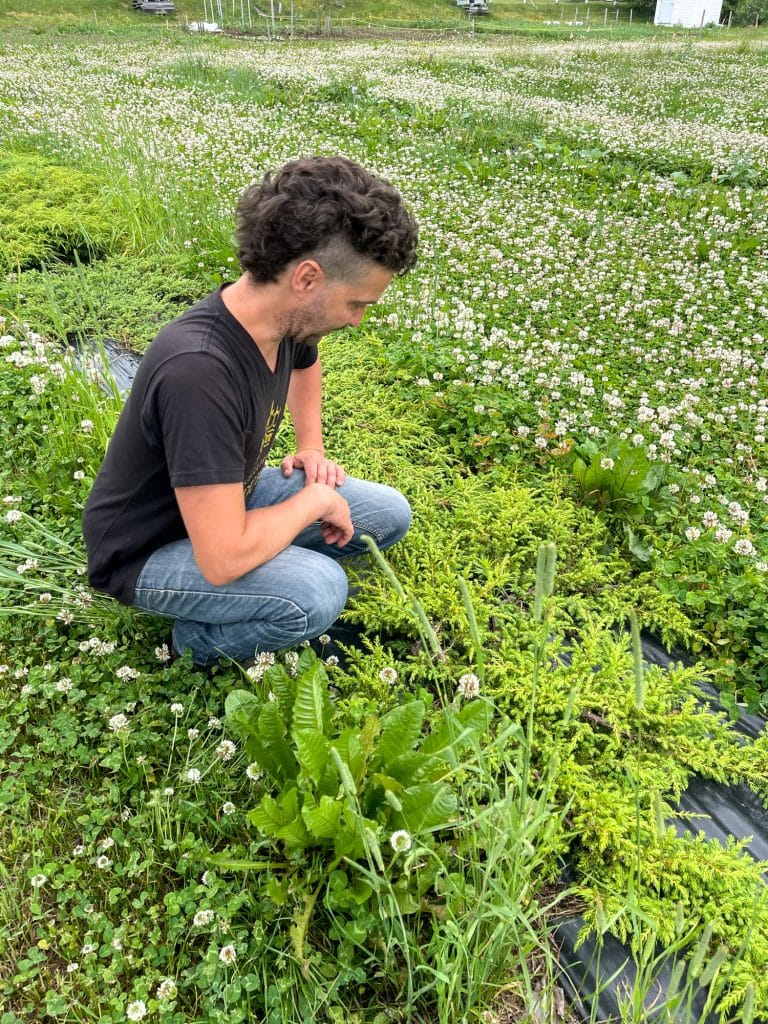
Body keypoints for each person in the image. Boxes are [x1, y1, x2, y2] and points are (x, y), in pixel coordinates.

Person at [83, 156, 418, 667]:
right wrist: (311, 505)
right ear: (307, 278)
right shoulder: (198, 372)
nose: (356, 320)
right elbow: (221, 559)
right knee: (317, 590)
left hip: (229, 499)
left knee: (388, 513)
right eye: (357, 303)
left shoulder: (279, 321)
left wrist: (311, 447)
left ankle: (269, 562)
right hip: (149, 550)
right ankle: (191, 642)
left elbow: (306, 365)